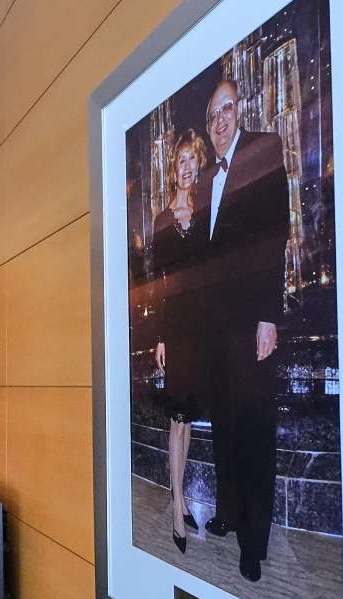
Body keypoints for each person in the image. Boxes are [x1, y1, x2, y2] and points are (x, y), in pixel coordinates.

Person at [197, 80, 290, 583]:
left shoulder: (264, 149)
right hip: (213, 331)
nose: (219, 121)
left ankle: (253, 543)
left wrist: (268, 317)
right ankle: (229, 513)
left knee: (254, 433)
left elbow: (275, 232)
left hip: (250, 321)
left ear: (241, 110)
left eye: (226, 109)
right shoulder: (206, 178)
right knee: (225, 427)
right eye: (212, 114)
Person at [150, 129, 209, 554]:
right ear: (173, 168)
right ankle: (176, 511)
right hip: (176, 329)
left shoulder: (206, 206)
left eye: (192, 159)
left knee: (186, 420)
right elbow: (158, 284)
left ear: (197, 163)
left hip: (201, 326)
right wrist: (160, 337)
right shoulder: (161, 218)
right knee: (176, 421)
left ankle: (181, 495)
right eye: (180, 160)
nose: (186, 167)